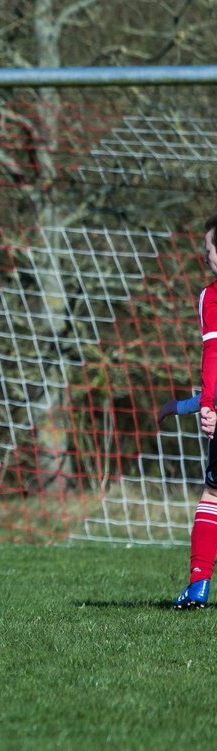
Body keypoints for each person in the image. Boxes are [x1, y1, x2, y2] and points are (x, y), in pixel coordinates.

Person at [174, 211, 217, 609]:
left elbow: (213, 356)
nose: (204, 255)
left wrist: (207, 406)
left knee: (213, 495)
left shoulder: (211, 296)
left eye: (209, 248)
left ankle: (199, 584)